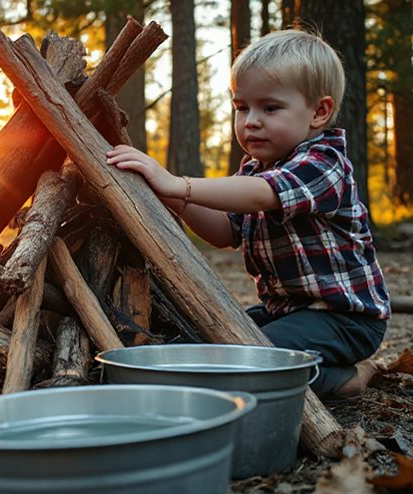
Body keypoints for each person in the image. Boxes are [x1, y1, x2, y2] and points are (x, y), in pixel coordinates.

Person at [106, 29, 390, 400]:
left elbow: (262, 194)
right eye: (242, 108)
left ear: (319, 112)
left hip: (345, 319)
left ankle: (345, 378)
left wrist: (178, 184)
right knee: (211, 344)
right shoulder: (254, 169)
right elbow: (225, 232)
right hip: (285, 312)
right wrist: (168, 194)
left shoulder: (324, 163)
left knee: (254, 361)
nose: (251, 121)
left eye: (270, 108)